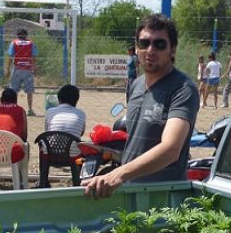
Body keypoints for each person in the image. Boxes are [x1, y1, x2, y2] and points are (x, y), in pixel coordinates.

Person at [83, 14, 199, 199]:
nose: (150, 50)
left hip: (163, 199)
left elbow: (170, 149)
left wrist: (117, 174)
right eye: (144, 43)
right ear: (137, 48)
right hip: (131, 193)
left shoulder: (183, 88)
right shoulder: (137, 85)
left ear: (173, 50)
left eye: (159, 44)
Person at [0, 88, 28, 191]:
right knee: (25, 145)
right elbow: (24, 136)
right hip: (12, 154)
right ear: (16, 100)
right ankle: (20, 179)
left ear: (1, 99)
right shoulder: (20, 110)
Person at [44, 84, 86, 156]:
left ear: (59, 99)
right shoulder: (81, 113)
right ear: (76, 100)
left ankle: (44, 166)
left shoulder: (50, 111)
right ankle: (76, 167)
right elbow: (81, 133)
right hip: (73, 154)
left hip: (50, 152)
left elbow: (47, 131)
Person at [8, 28, 38, 115]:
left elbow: (10, 56)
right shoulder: (31, 43)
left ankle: (13, 108)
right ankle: (30, 109)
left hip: (17, 68)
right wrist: (34, 67)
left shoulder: (14, 43)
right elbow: (34, 56)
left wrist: (7, 68)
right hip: (27, 69)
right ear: (26, 35)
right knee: (29, 91)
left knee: (14, 90)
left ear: (17, 35)